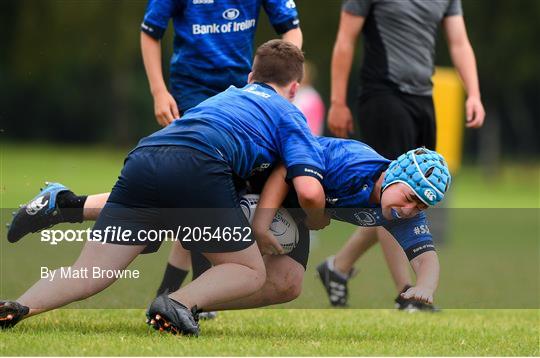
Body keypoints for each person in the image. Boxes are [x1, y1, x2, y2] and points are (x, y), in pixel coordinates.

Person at [1, 40, 329, 336]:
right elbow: (305, 185)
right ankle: (176, 304)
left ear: (250, 77)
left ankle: (18, 306)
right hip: (198, 165)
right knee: (248, 271)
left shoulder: (226, 95)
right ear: (294, 88)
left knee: (90, 272)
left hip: (145, 156)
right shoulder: (290, 113)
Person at [4, 137, 451, 326]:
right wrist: (268, 221)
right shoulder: (352, 161)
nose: (409, 209)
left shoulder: (404, 212)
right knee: (159, 219)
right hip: (251, 183)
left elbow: (425, 256)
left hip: (278, 212)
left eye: (420, 205)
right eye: (409, 196)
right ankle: (67, 206)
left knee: (288, 283)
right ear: (393, 173)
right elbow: (284, 170)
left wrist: (424, 287)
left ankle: (183, 303)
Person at [321, 0, 486, 309]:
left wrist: (473, 93)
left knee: (410, 199)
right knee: (395, 192)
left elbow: (459, 42)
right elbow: (345, 39)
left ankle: (338, 266)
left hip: (424, 97)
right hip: (383, 94)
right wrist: (337, 100)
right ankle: (405, 292)